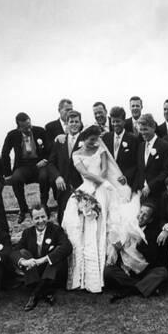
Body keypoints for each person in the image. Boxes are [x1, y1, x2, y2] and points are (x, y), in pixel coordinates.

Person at [62, 125, 144, 293]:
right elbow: (85, 173)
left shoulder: (100, 149)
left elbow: (105, 169)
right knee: (81, 227)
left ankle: (106, 270)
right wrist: (93, 187)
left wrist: (102, 183)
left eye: (96, 139)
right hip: (87, 187)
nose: (94, 142)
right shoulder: (76, 154)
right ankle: (84, 276)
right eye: (91, 140)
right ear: (84, 138)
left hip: (104, 186)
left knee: (104, 224)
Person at [105, 201, 168, 301]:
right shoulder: (126, 227)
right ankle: (142, 287)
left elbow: (153, 258)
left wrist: (139, 242)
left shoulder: (154, 232)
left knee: (162, 272)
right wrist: (118, 248)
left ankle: (131, 288)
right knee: (108, 271)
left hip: (145, 270)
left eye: (145, 215)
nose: (140, 216)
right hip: (127, 270)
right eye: (140, 212)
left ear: (150, 220)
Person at [13, 205, 72, 311]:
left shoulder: (56, 230)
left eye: (43, 217)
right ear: (32, 219)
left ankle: (34, 295)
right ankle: (46, 292)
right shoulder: (27, 233)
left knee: (56, 254)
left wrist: (45, 259)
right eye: (36, 218)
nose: (40, 221)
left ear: (48, 216)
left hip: (51, 270)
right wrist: (24, 261)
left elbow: (67, 247)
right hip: (34, 270)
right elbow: (15, 251)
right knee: (23, 253)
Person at [1, 112, 50, 224]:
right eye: (25, 127)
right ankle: (23, 209)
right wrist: (7, 173)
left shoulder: (40, 131)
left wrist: (45, 160)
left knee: (44, 176)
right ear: (18, 127)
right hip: (23, 166)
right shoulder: (12, 135)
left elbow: (49, 148)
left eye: (29, 125)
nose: (29, 128)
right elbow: (4, 154)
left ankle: (43, 206)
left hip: (39, 164)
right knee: (16, 179)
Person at [47, 110, 84, 224]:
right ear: (67, 124)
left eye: (76, 121)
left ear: (80, 123)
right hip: (63, 188)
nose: (74, 124)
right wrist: (57, 177)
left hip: (81, 186)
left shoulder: (85, 141)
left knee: (81, 218)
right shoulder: (60, 141)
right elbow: (50, 163)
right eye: (71, 121)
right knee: (64, 219)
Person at [133, 113, 168, 203]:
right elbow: (139, 170)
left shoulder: (165, 146)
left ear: (153, 128)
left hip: (159, 194)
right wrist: (136, 189)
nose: (143, 133)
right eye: (141, 130)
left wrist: (150, 186)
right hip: (142, 194)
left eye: (145, 129)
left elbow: (167, 171)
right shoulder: (141, 146)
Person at [102, 106, 139, 189]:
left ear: (124, 121)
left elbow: (136, 163)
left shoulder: (133, 139)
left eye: (118, 121)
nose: (115, 124)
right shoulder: (106, 138)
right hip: (110, 182)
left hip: (126, 183)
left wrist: (126, 177)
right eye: (113, 121)